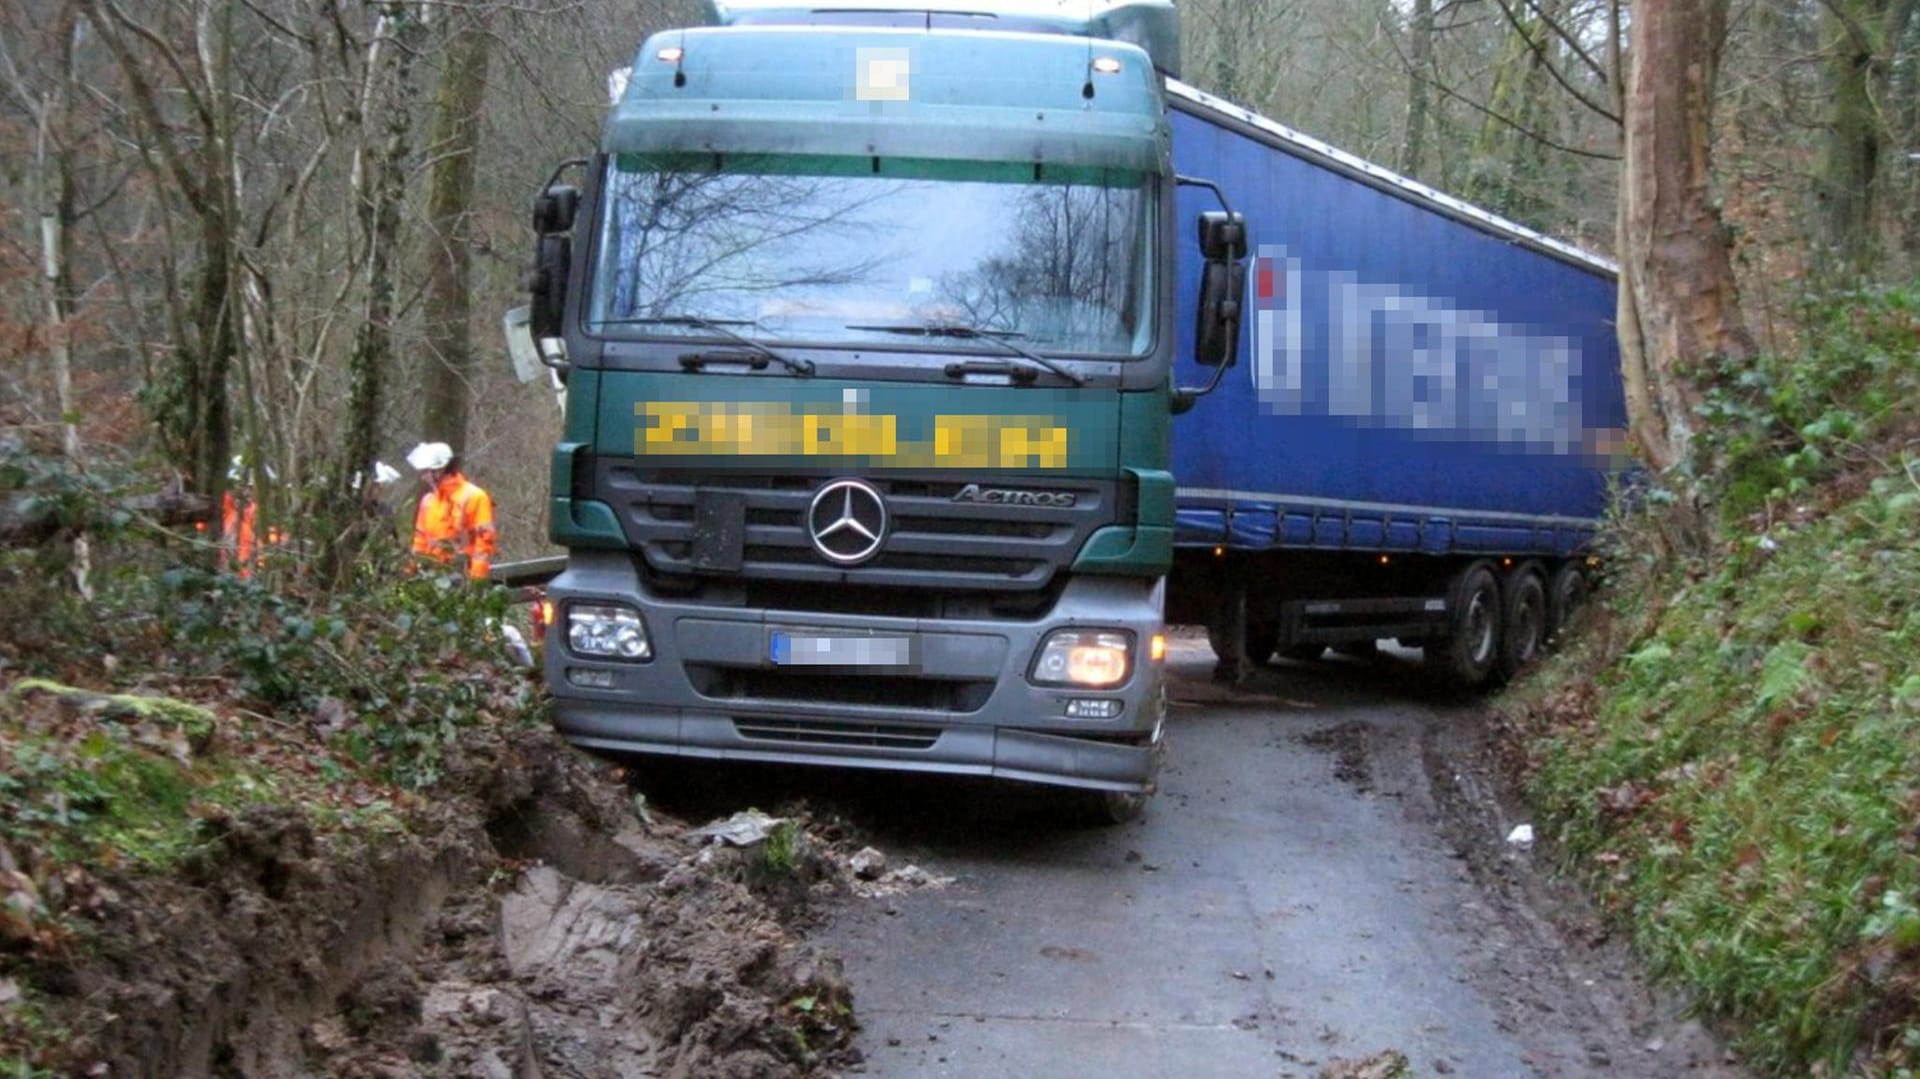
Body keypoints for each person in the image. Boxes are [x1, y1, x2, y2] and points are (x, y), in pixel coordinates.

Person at [406, 442, 497, 580]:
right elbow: (420, 541)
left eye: (426, 472)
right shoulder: (428, 501)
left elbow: (484, 544)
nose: (423, 477)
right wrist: (410, 573)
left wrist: (476, 581)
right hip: (431, 576)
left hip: (462, 575)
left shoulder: (475, 497)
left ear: (439, 470)